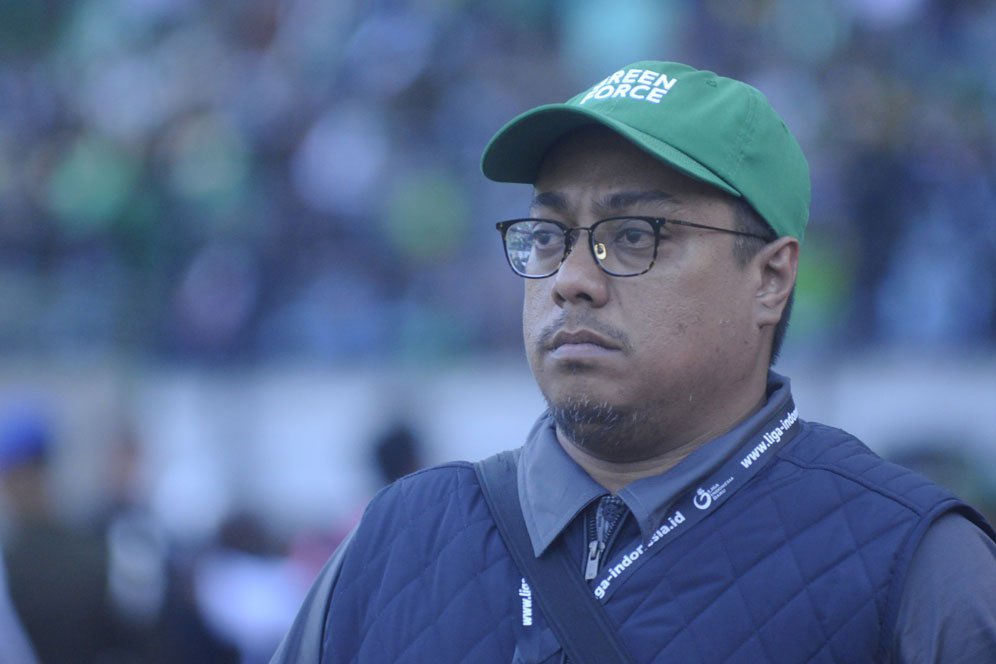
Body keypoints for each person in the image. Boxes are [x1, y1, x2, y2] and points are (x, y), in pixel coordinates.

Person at [271, 61, 996, 663]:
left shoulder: (913, 565)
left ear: (770, 279)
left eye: (633, 236)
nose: (570, 279)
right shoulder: (400, 540)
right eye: (549, 234)